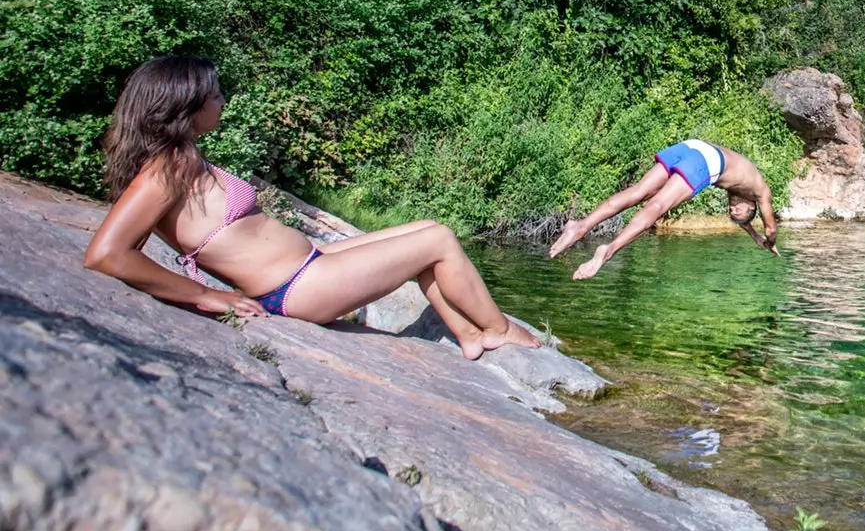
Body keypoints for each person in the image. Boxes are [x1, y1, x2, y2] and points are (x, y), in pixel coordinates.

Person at [83, 55, 541, 360]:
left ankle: (469, 335)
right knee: (437, 241)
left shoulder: (179, 158)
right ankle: (497, 329)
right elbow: (108, 254)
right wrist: (205, 295)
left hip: (310, 266)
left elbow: (135, 245)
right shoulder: (166, 167)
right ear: (185, 104)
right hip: (299, 289)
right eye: (216, 94)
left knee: (427, 227)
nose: (223, 101)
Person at [549, 140, 779, 279]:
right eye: (737, 210)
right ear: (752, 206)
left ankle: (581, 225)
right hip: (707, 161)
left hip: (692, 146)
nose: (733, 208)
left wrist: (752, 235)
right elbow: (771, 229)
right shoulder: (762, 192)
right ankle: (608, 251)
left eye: (731, 211)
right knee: (657, 206)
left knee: (640, 192)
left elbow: (745, 221)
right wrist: (769, 240)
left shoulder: (743, 184)